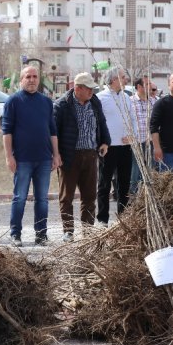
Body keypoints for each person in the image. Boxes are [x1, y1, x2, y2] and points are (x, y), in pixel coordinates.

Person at [2, 66, 61, 246]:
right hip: (22, 159)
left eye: (35, 76)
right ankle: (15, 234)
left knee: (42, 199)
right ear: (21, 80)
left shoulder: (46, 102)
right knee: (19, 197)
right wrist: (9, 157)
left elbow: (52, 130)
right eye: (28, 76)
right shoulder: (13, 101)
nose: (32, 79)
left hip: (44, 158)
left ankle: (41, 235)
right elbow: (6, 131)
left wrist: (56, 155)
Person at [54, 72, 111, 242]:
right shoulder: (62, 105)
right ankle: (68, 231)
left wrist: (105, 142)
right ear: (77, 88)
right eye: (88, 89)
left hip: (91, 155)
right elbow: (54, 133)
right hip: (69, 156)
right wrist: (56, 155)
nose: (92, 92)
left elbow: (102, 123)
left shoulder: (94, 102)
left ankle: (88, 231)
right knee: (67, 197)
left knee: (89, 196)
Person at [96, 67, 134, 226]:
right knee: (104, 184)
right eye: (123, 77)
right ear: (113, 80)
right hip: (108, 147)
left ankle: (123, 217)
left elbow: (132, 119)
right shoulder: (100, 98)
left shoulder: (126, 98)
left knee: (124, 184)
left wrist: (132, 136)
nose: (126, 80)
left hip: (126, 147)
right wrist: (101, 142)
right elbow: (97, 124)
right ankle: (102, 219)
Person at [129, 77, 155, 195]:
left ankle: (148, 196)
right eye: (147, 84)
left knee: (151, 172)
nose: (150, 86)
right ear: (139, 87)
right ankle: (133, 197)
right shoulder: (130, 101)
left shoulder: (154, 102)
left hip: (151, 143)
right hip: (136, 143)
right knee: (135, 172)